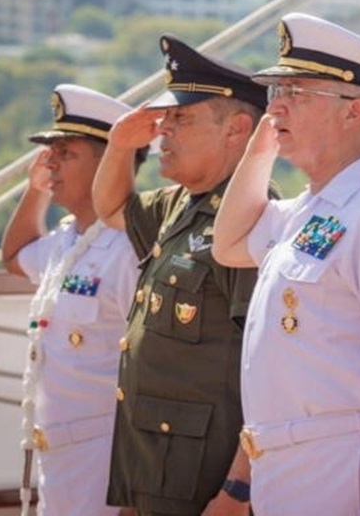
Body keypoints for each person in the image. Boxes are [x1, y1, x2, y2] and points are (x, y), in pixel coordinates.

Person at [210, 13, 360, 514]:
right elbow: (227, 246)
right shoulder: (309, 209)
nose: (277, 107)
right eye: (277, 92)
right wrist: (258, 153)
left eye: (297, 93)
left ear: (354, 111)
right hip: (286, 458)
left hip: (345, 458)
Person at [92, 35, 271, 515]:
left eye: (181, 119)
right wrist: (118, 147)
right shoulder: (177, 206)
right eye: (164, 120)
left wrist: (239, 488)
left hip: (204, 471)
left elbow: (270, 369)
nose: (162, 133)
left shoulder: (253, 219)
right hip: (154, 460)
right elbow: (110, 208)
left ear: (236, 130)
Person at [1, 84, 142, 516]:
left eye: (66, 153)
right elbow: (14, 255)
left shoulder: (128, 249)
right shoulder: (68, 240)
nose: (52, 163)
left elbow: (150, 368)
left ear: (110, 161)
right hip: (57, 452)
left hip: (106, 454)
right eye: (52, 153)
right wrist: (36, 190)